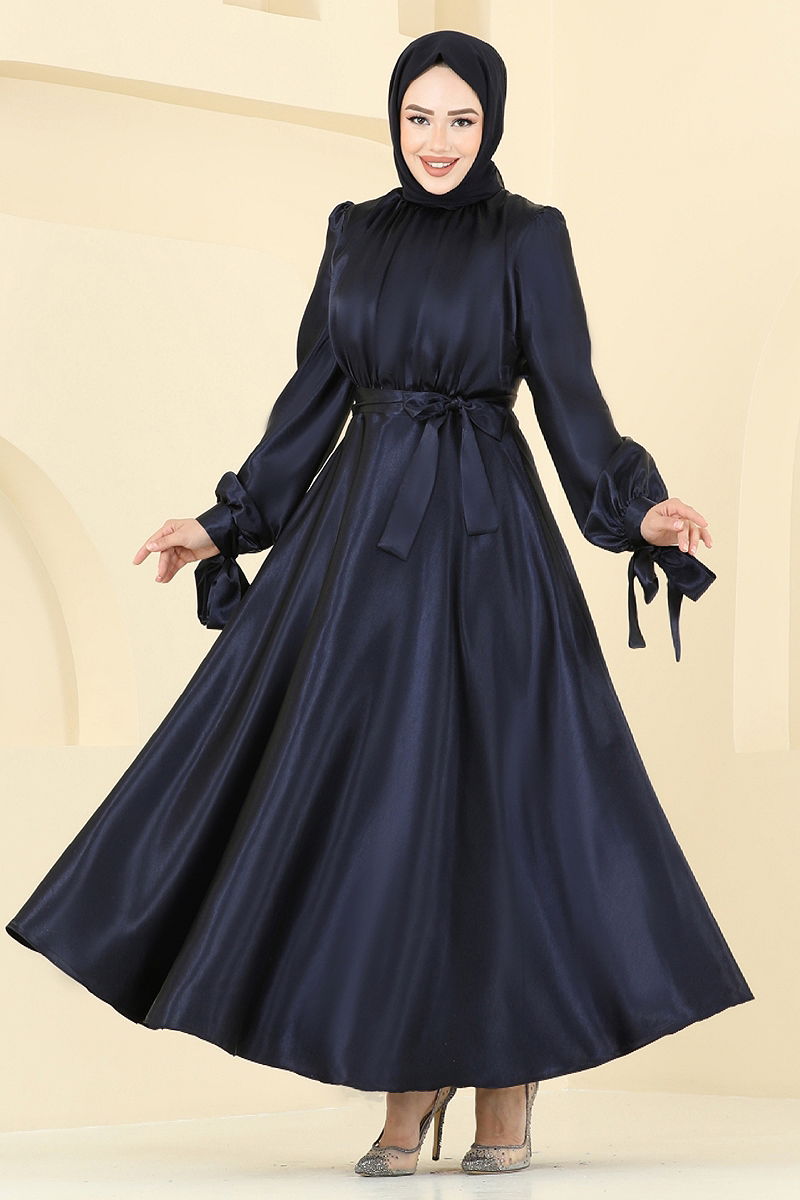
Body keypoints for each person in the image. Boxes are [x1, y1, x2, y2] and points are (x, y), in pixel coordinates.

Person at [6, 29, 754, 1178]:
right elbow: (312, 396)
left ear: (489, 125)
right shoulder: (354, 233)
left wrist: (632, 507)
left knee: (503, 803)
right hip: (362, 540)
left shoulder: (528, 235)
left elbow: (568, 395)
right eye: (417, 117)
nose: (436, 141)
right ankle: (413, 1068)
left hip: (489, 539)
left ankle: (504, 1073)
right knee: (379, 807)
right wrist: (227, 520)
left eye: (460, 120)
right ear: (392, 118)